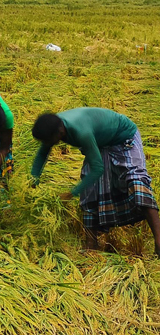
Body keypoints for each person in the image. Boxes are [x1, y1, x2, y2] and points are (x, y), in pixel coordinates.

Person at [31, 109, 160, 255]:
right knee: (89, 191)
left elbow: (97, 168)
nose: (46, 144)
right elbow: (43, 152)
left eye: (47, 140)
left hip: (124, 137)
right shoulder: (55, 127)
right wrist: (33, 179)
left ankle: (159, 239)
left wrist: (72, 193)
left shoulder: (81, 131)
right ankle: (91, 245)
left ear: (60, 132)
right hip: (102, 141)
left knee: (135, 181)